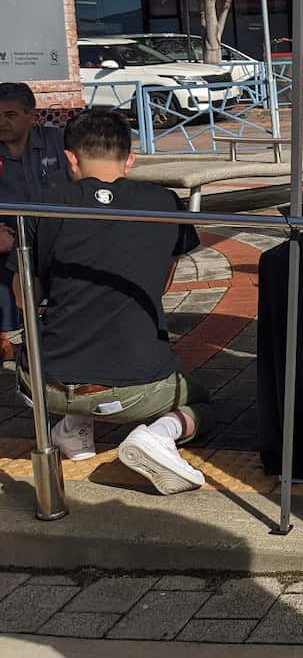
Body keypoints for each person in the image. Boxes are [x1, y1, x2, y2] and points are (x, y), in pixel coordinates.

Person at [10, 108, 208, 495]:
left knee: (71, 348)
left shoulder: (42, 205)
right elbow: (164, 281)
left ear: (71, 158)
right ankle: (157, 436)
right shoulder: (165, 203)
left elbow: (25, 300)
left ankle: (73, 429)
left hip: (44, 383)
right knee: (199, 398)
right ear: (130, 158)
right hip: (135, 391)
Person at [0, 82, 71, 362]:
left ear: (31, 114)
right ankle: (5, 333)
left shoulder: (59, 141)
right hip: (9, 236)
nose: (2, 122)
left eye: (10, 115)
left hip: (57, 232)